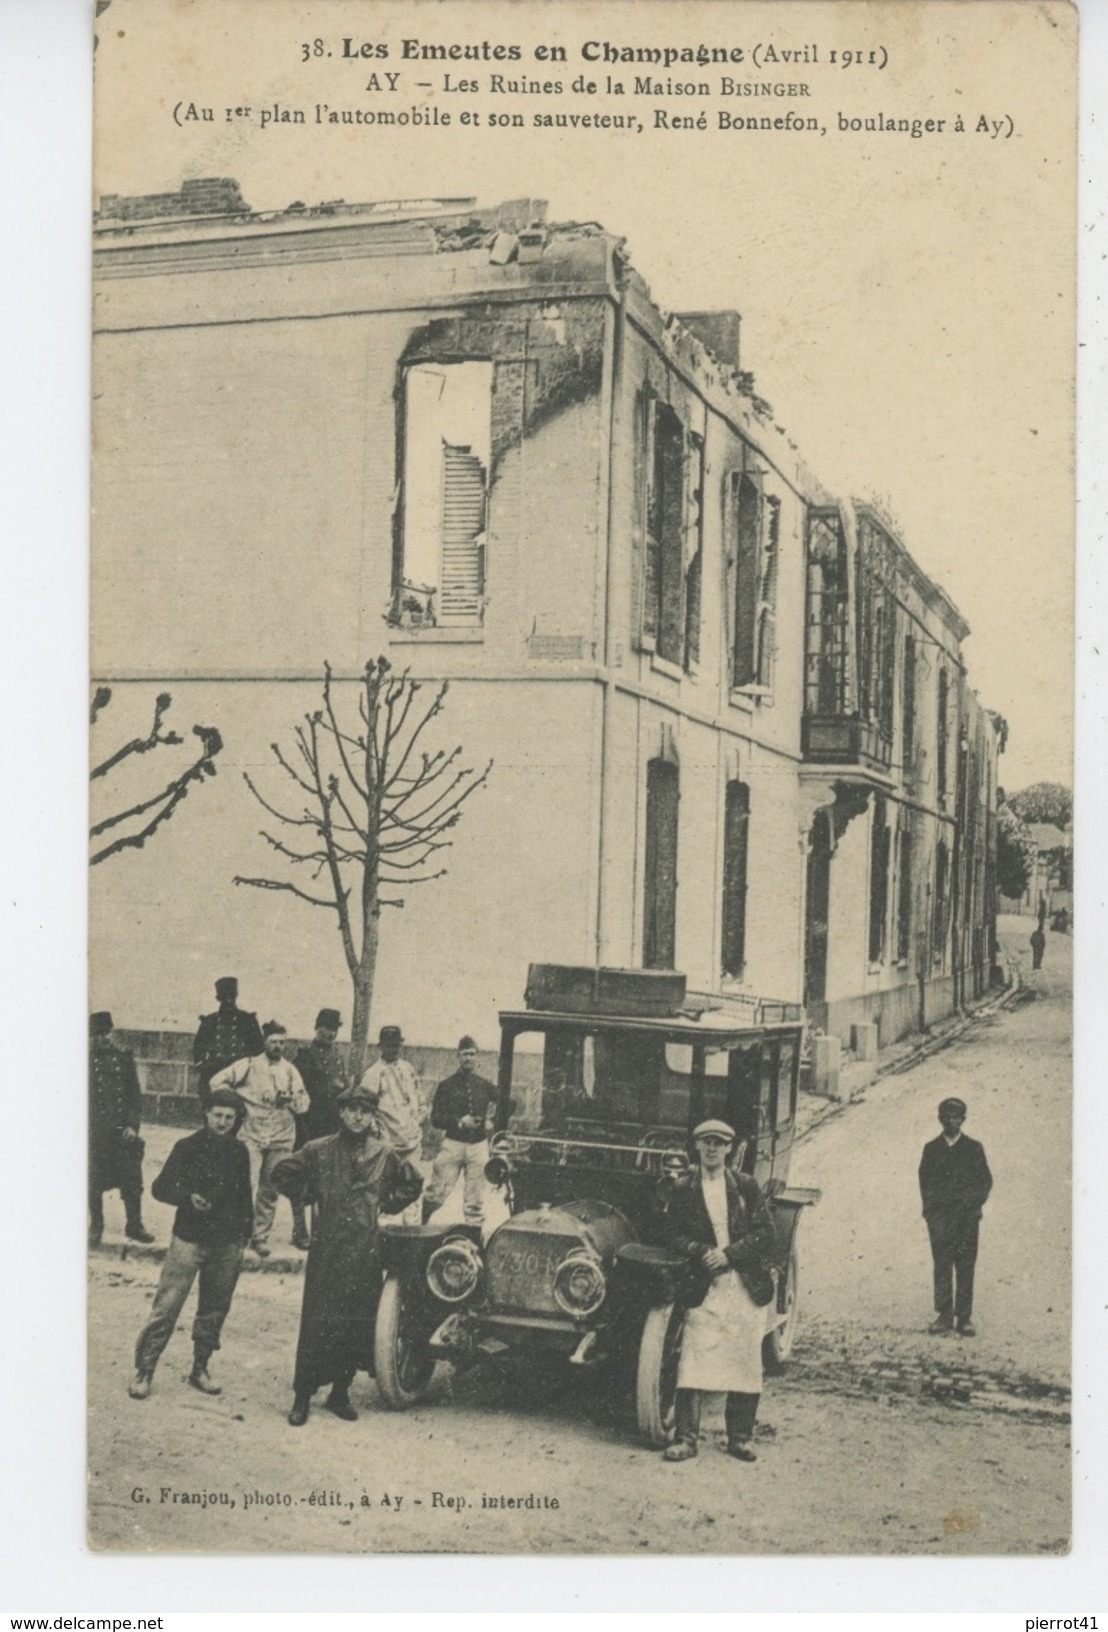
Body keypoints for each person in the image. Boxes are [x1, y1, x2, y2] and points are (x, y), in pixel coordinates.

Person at [274, 1082, 423, 1426]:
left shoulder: (383, 1154)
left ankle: (340, 1393)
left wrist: (385, 1203)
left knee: (355, 1323)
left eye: (365, 1111)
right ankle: (302, 1396)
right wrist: (308, 1193)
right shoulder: (318, 1150)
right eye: (352, 1110)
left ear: (373, 1116)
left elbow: (412, 1182)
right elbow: (281, 1173)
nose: (358, 1117)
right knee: (317, 1322)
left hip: (364, 1251)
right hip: (328, 1250)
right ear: (341, 1113)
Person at [660, 1120, 777, 1464]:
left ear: (729, 1149)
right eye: (705, 1142)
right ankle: (686, 1439)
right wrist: (701, 1252)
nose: (712, 1148)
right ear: (695, 1147)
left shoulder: (745, 1187)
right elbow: (672, 1236)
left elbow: (766, 1232)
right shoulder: (683, 1189)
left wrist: (729, 1254)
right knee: (694, 1357)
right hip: (704, 1284)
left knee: (744, 1356)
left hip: (743, 1282)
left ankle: (739, 1438)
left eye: (719, 1143)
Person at [128, 1089, 253, 1400]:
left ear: (236, 1120)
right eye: (217, 1115)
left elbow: (245, 1198)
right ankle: (145, 1369)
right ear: (206, 1114)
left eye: (229, 1117)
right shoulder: (186, 1147)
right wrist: (188, 1197)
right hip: (189, 1240)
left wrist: (243, 1237)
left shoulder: (240, 1152)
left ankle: (200, 1368)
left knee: (214, 1310)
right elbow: (159, 1188)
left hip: (227, 1244)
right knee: (166, 1307)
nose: (223, 1122)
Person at [210, 1022, 309, 1257]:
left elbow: (304, 1104)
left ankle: (260, 1236)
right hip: (253, 1134)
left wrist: (292, 1100)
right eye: (274, 1041)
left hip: (281, 1136)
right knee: (244, 1183)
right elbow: (216, 1082)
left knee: (271, 1187)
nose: (278, 1046)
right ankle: (236, 1233)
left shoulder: (290, 1070)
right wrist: (241, 1100)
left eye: (282, 1042)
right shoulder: (249, 1065)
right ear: (265, 1041)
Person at [919, 1096, 993, 1337]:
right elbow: (925, 1182)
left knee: (965, 1265)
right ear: (940, 1120)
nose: (951, 1122)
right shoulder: (931, 1149)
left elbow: (985, 1181)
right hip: (940, 1219)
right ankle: (944, 1314)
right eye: (947, 1117)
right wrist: (931, 1212)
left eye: (956, 1117)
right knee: (942, 1265)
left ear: (963, 1120)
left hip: (966, 1219)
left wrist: (972, 1208)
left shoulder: (973, 1148)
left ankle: (964, 1317)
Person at [89, 1011, 153, 1246]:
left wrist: (132, 1126)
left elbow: (134, 1097)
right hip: (94, 1134)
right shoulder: (82, 1061)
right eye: (96, 1034)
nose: (102, 1039)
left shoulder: (123, 1058)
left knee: (132, 1180)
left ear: (111, 1033)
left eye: (106, 1033)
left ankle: (134, 1225)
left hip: (122, 1134)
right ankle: (96, 1225)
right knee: (92, 1180)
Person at [291, 1008, 350, 1249]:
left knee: (328, 1179)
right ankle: (299, 1228)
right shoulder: (304, 1056)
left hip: (331, 1126)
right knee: (302, 1178)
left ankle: (323, 1229)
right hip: (307, 1125)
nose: (330, 1034)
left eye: (334, 1029)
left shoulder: (338, 1057)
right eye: (326, 1028)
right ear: (317, 1028)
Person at [423, 1035, 496, 1229]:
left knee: (475, 1202)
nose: (468, 1058)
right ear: (458, 1056)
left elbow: (510, 1103)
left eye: (472, 1054)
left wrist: (493, 1121)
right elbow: (435, 1119)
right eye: (464, 1054)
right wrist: (459, 1122)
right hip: (453, 1146)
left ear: (477, 1057)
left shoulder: (484, 1085)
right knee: (436, 1195)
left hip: (478, 1147)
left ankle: (474, 1238)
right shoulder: (447, 1085)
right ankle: (421, 1227)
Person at [361, 1025, 424, 1225]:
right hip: (388, 1145)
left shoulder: (408, 1068)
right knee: (388, 1193)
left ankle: (411, 1238)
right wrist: (378, 1136)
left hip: (412, 1142)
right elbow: (365, 1110)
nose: (393, 1050)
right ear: (380, 1047)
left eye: (396, 1046)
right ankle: (384, 1241)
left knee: (413, 1190)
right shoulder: (373, 1074)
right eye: (388, 1046)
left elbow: (419, 1099)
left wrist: (417, 1120)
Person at [192, 977, 264, 1110]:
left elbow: (258, 1050)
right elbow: (198, 1049)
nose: (229, 1000)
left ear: (236, 996)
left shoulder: (247, 1020)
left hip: (240, 1077)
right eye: (225, 997)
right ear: (218, 998)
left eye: (231, 996)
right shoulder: (210, 1021)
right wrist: (205, 1067)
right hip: (214, 1074)